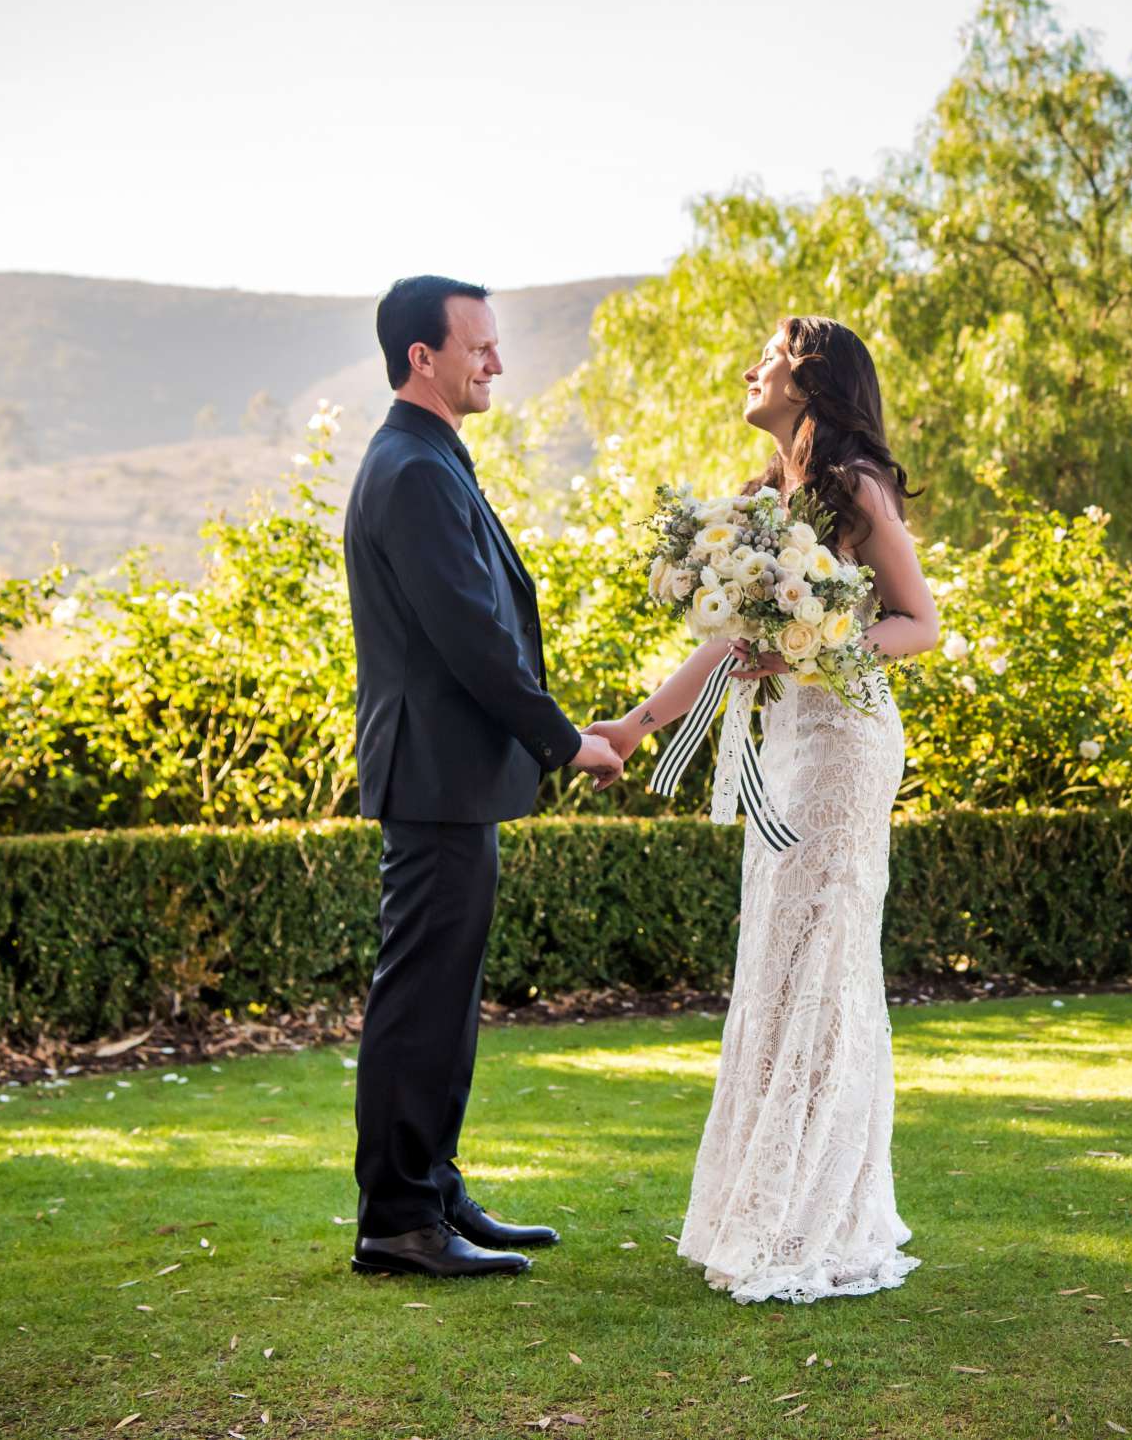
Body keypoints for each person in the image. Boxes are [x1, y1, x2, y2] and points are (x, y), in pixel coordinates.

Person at [588, 315, 939, 1304]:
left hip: (845, 744)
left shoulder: (853, 488)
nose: (751, 369)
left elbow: (920, 623)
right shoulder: (760, 501)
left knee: (821, 959)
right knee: (776, 963)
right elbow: (729, 637)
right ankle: (768, 1201)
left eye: (771, 357)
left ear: (811, 380)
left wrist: (816, 649)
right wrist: (638, 723)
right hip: (785, 744)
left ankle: (815, 1218)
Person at [342, 274, 628, 1279]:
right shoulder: (413, 470)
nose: (497, 362)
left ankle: (433, 1188)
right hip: (435, 775)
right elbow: (472, 636)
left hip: (450, 778)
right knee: (421, 999)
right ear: (424, 356)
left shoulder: (424, 459)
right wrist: (565, 741)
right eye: (480, 346)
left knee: (444, 1000)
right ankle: (399, 1222)